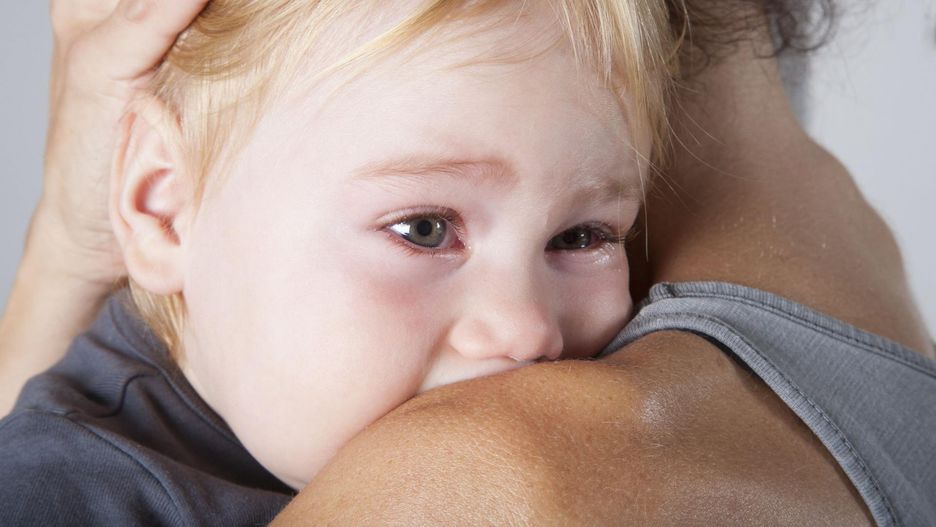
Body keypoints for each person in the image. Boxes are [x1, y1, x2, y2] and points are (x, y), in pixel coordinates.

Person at [0, 1, 932, 526]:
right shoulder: (59, 490)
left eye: (583, 235)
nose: (527, 330)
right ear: (160, 202)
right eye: (422, 228)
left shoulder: (482, 468)